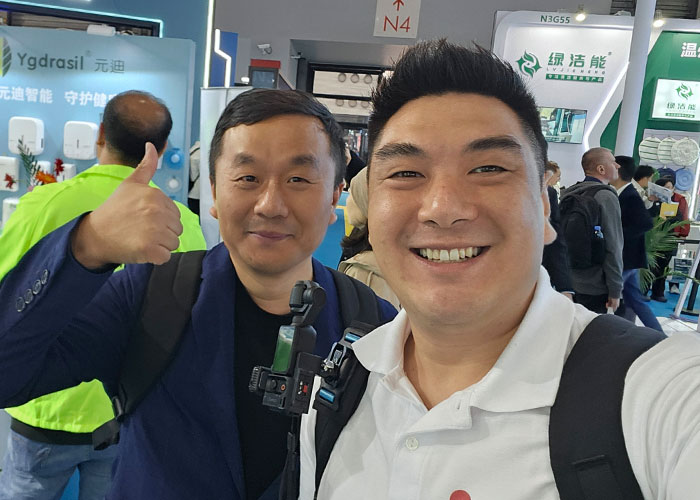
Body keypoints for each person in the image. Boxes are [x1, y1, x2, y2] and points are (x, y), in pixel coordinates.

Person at [298, 40, 700, 499]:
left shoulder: (659, 397)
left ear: (544, 208)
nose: (443, 209)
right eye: (406, 173)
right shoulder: (341, 387)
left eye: (488, 168)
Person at [0, 89, 396, 499]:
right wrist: (86, 247)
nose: (270, 205)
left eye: (298, 179)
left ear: (334, 195)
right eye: (248, 178)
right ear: (215, 193)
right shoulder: (151, 296)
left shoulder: (375, 327)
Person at [0, 90, 206, 500]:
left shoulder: (43, 204)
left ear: (99, 135)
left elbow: (8, 298)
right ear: (162, 147)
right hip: (124, 409)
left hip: (42, 408)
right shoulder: (179, 221)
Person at [561, 147, 623, 313]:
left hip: (567, 279)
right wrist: (615, 289)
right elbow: (613, 246)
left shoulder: (569, 194)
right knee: (590, 327)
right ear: (601, 169)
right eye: (613, 162)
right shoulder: (605, 196)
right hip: (594, 284)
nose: (617, 166)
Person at [610, 155, 662, 331]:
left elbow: (645, 223)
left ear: (617, 170)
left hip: (627, 258)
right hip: (629, 258)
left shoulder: (630, 195)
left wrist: (619, 236)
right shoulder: (623, 193)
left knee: (609, 295)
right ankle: (658, 335)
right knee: (635, 300)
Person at [338, 166, 400, 309]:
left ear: (364, 202)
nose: (347, 200)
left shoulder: (365, 271)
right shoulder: (397, 261)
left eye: (352, 193)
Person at [649, 176, 690, 300]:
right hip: (651, 239)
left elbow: (681, 219)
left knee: (663, 267)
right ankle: (643, 291)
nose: (667, 190)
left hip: (668, 239)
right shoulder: (651, 201)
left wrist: (669, 218)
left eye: (669, 188)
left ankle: (658, 293)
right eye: (663, 188)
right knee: (648, 266)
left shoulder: (677, 202)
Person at [541, 161, 573, 299]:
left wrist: (564, 286)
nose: (558, 179)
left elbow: (554, 241)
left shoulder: (549, 193)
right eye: (557, 176)